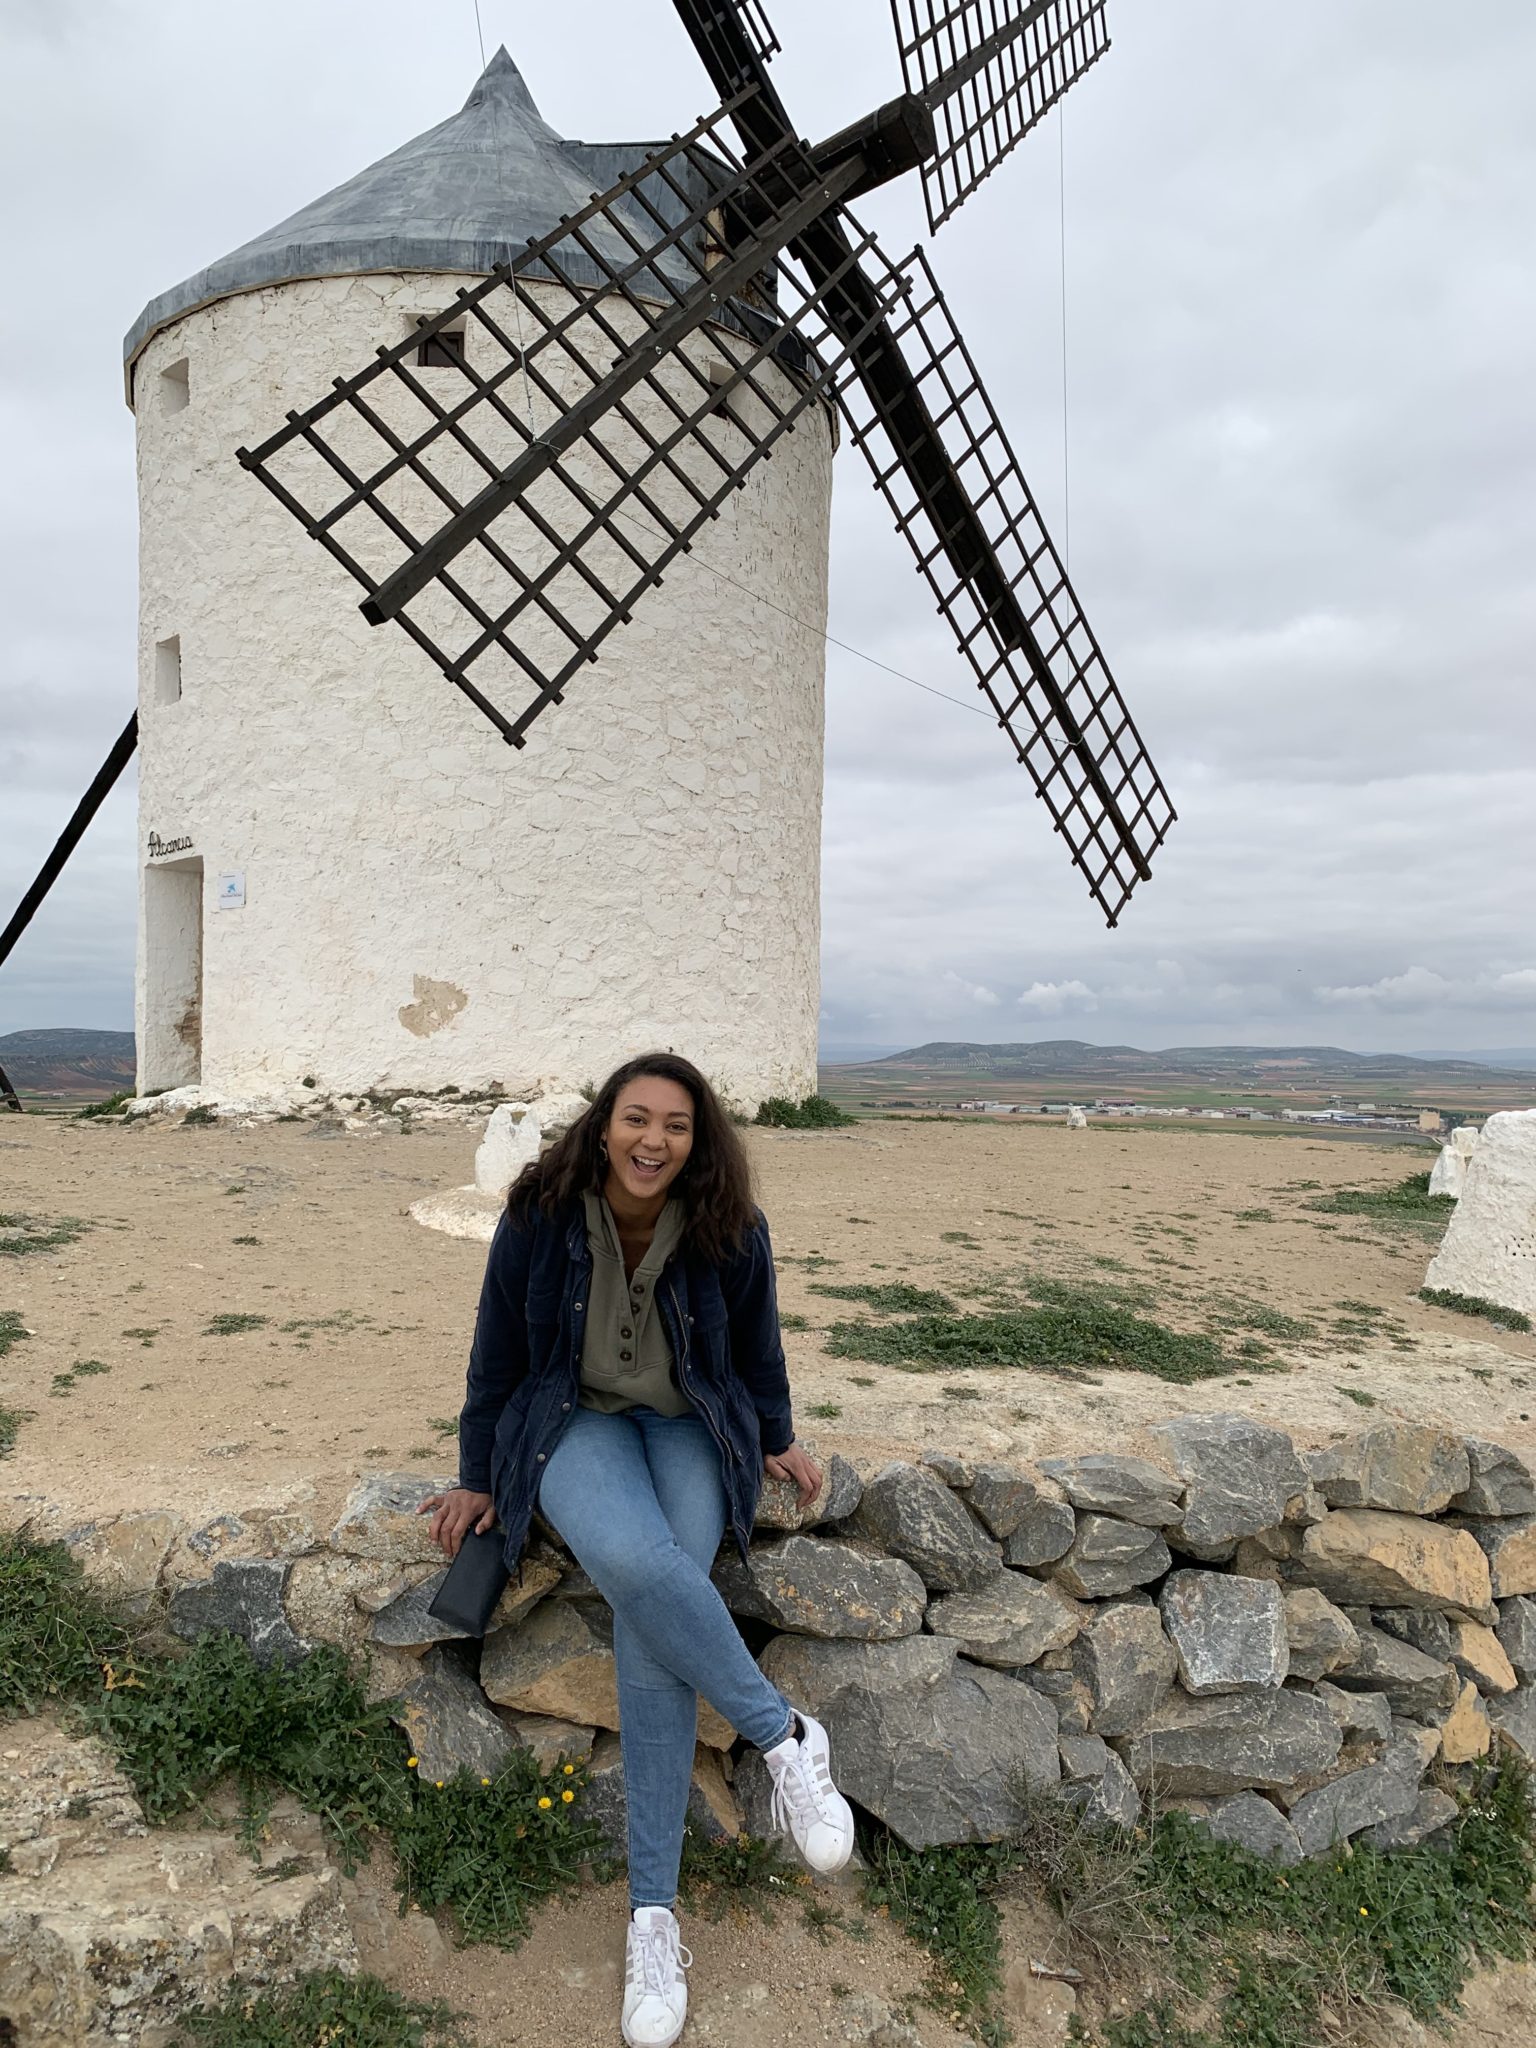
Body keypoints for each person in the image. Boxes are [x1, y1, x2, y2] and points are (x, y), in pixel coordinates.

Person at [420, 1052, 855, 2048]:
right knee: (642, 1567)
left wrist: (777, 1433)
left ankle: (651, 1916)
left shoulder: (729, 1224)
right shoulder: (540, 1214)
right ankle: (785, 1736)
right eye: (636, 1118)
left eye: (676, 1125)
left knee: (655, 1626)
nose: (653, 1139)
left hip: (689, 1424)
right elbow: (496, 1350)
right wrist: (478, 1471)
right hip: (572, 1421)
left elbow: (757, 1345)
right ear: (604, 1124)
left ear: (698, 1140)